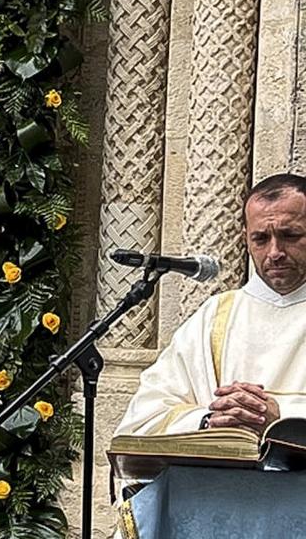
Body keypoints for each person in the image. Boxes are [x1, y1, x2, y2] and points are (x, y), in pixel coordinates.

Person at [115, 173, 306, 437]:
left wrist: (280, 418)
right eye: (260, 239)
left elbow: (272, 417)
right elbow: (142, 421)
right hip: (216, 474)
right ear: (245, 239)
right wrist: (210, 420)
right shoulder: (215, 316)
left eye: (290, 235)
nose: (275, 252)